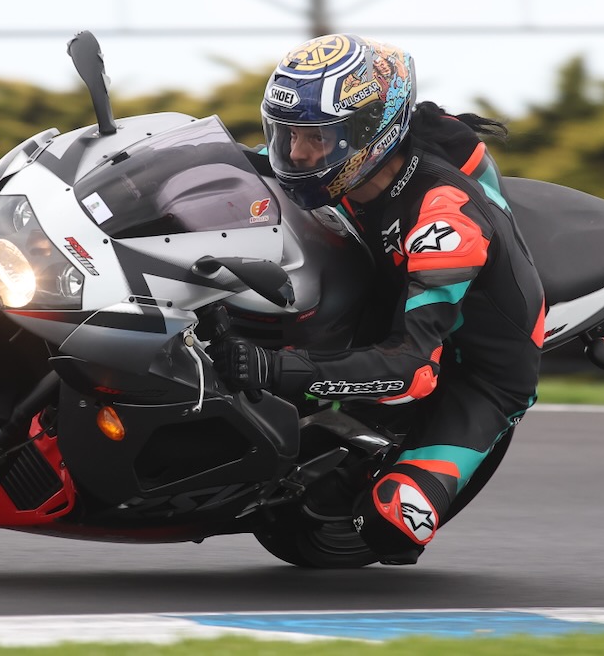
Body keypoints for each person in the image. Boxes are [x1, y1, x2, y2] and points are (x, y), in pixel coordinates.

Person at [207, 33, 545, 565]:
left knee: (388, 527)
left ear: (372, 136)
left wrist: (271, 368)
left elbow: (412, 371)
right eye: (288, 133)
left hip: (472, 370)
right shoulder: (356, 161)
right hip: (383, 281)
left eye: (316, 138)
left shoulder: (444, 223)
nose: (296, 153)